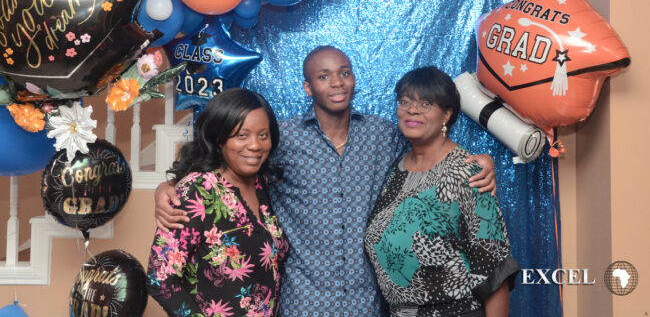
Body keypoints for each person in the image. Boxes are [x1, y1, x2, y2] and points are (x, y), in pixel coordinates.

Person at [155, 46, 497, 316]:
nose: (337, 82)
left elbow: (428, 146)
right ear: (307, 86)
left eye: (344, 73)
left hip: (367, 304)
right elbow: (225, 167)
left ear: (353, 80)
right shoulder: (279, 138)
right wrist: (167, 188)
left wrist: (478, 161)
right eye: (323, 76)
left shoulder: (383, 134)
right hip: (304, 303)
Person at [364, 67, 519, 317]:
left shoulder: (468, 172)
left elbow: (495, 269)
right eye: (405, 101)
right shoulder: (397, 169)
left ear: (446, 114)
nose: (412, 110)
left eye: (425, 103)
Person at [147, 88, 289, 317]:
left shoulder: (262, 184)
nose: (255, 145)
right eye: (242, 135)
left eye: (263, 135)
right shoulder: (196, 191)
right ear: (219, 139)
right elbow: (160, 279)